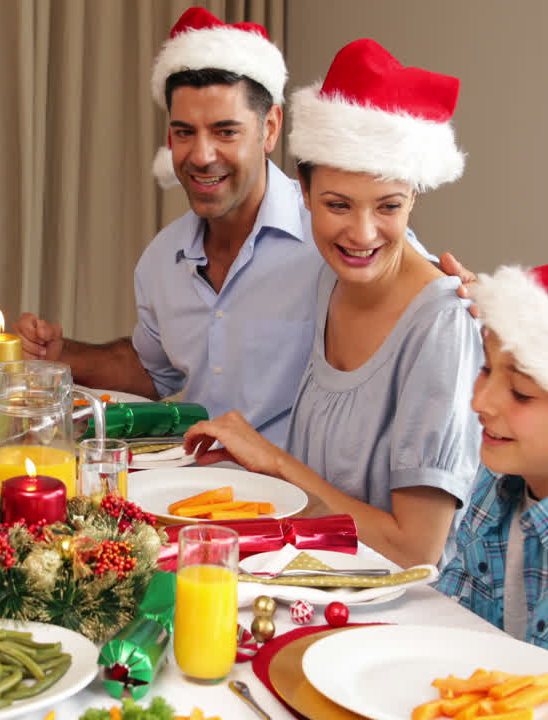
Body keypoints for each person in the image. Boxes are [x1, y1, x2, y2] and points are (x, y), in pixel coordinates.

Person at [13, 8, 467, 446]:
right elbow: (153, 369)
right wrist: (63, 354)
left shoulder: (336, 235)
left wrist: (467, 299)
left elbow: (419, 291)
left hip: (299, 505)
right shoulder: (161, 260)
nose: (202, 154)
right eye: (184, 132)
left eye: (226, 131)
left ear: (269, 128)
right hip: (193, 498)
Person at [184, 39, 482, 569]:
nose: (361, 234)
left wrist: (273, 461)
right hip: (319, 575)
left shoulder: (441, 325)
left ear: (414, 196)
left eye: (388, 206)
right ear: (302, 190)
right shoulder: (330, 279)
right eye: (337, 205)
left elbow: (414, 551)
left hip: (403, 611)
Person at [437, 248, 548, 672]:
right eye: (486, 370)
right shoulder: (498, 482)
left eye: (522, 392)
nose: (479, 402)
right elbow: (441, 631)